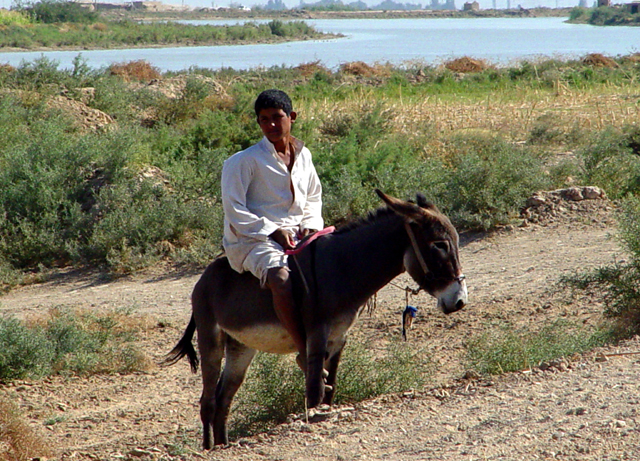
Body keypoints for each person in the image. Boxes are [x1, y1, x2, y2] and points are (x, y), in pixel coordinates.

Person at [221, 89, 323, 368]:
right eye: (264, 120)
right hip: (252, 239)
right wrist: (272, 231)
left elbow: (313, 198)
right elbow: (234, 211)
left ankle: (332, 334)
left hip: (298, 233)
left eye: (277, 118)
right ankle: (306, 354)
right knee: (280, 277)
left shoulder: (304, 156)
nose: (272, 126)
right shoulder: (243, 161)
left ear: (292, 117)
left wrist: (311, 227)